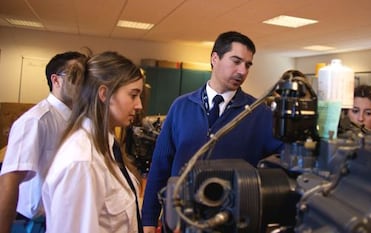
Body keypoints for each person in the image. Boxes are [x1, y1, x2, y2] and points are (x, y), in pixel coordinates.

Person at [142, 31, 284, 233]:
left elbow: (287, 160)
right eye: (236, 61)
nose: (242, 71)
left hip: (230, 225)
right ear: (214, 59)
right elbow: (160, 166)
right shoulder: (181, 107)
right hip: (180, 223)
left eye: (248, 65)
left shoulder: (259, 113)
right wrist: (148, 220)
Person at [42, 51, 145, 233]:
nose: (139, 106)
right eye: (133, 95)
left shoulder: (108, 147)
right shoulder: (82, 162)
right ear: (104, 94)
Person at [0, 51, 86, 233]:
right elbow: (10, 180)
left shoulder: (78, 121)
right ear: (56, 80)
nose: (83, 84)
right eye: (75, 76)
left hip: (63, 219)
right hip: (34, 223)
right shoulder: (36, 121)